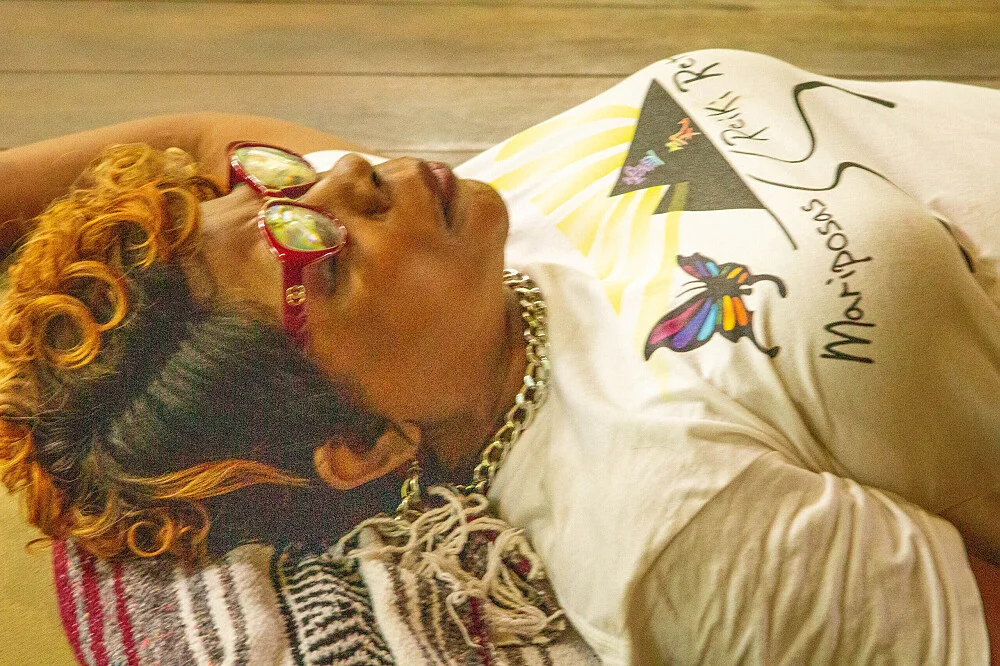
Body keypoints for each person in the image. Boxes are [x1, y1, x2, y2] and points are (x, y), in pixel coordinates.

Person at [1, 49, 999, 664]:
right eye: (313, 253)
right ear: (363, 445)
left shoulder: (466, 244)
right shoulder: (669, 520)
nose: (345, 178)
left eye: (271, 185)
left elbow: (197, 135)